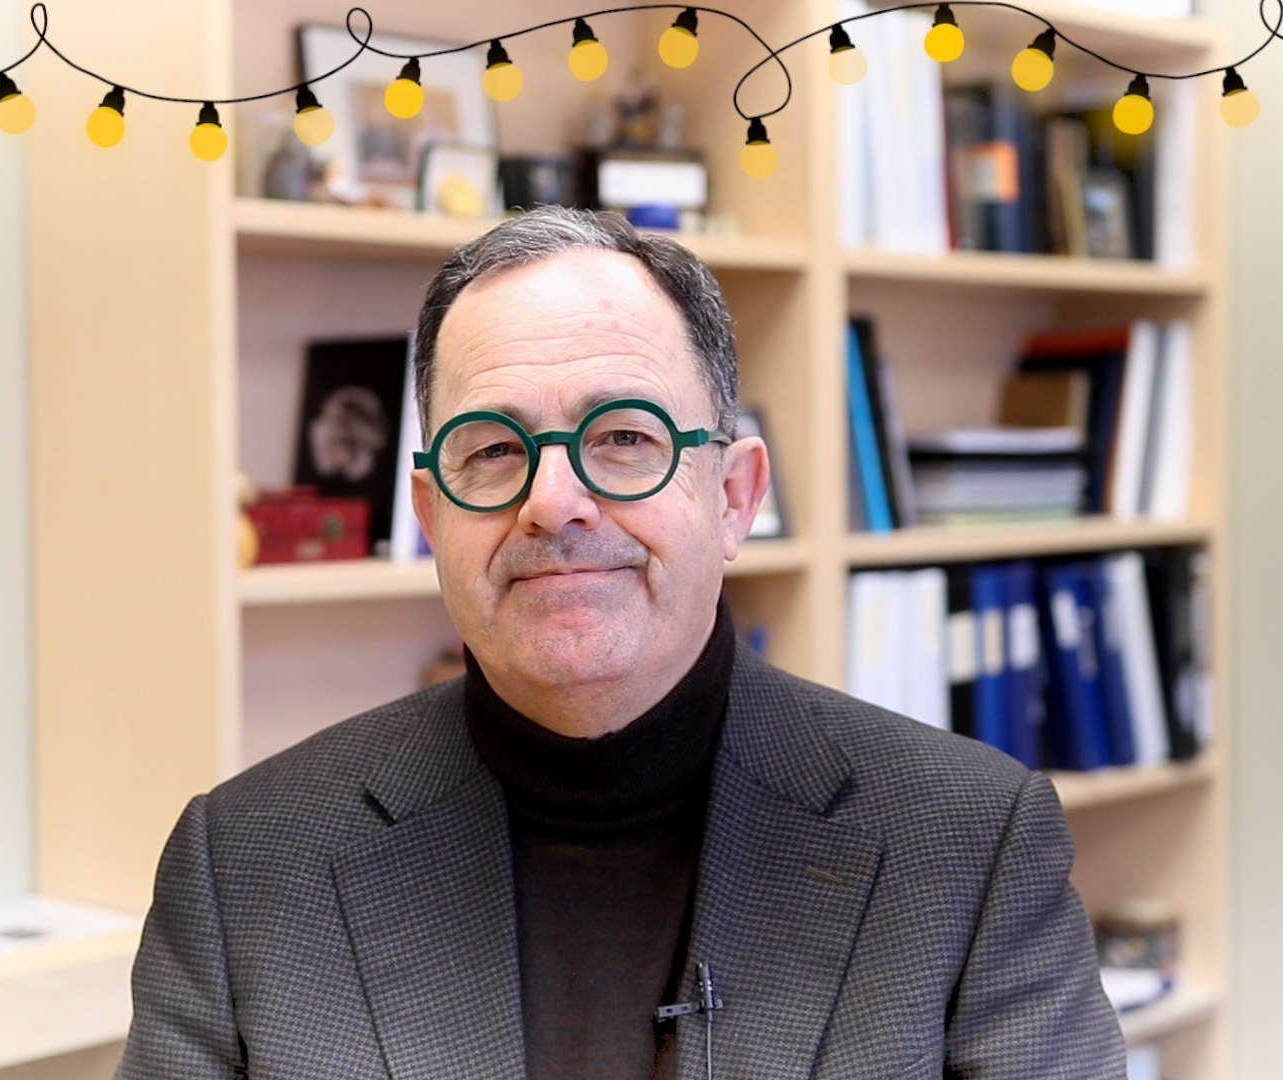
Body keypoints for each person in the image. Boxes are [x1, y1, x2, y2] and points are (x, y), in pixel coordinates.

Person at [117, 207, 1125, 1080]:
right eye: (495, 450)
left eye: (625, 437)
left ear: (734, 498)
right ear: (431, 513)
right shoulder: (242, 867)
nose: (553, 503)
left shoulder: (971, 847)